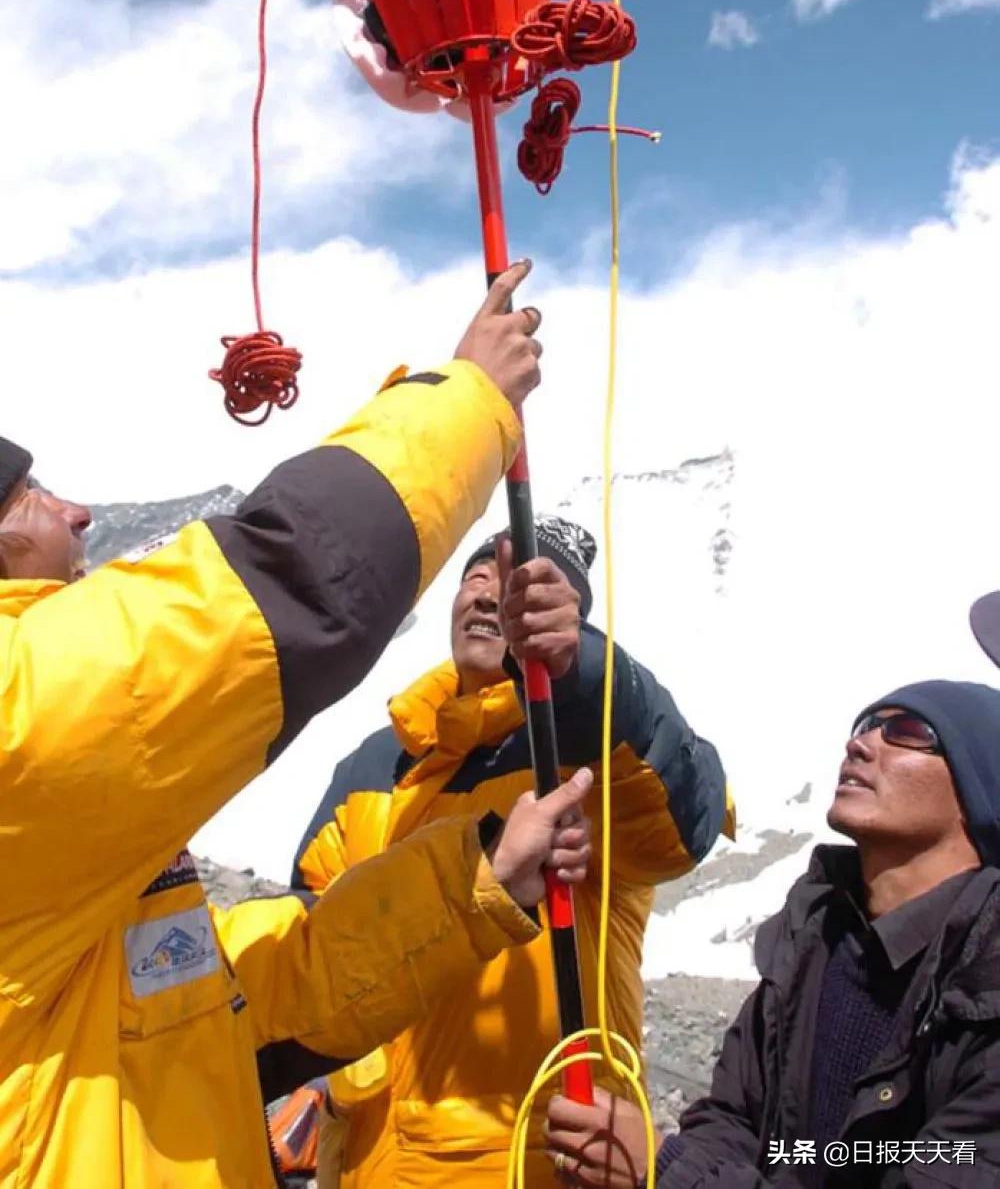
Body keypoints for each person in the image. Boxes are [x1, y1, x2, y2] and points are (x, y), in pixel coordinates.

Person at [0, 263, 598, 1189]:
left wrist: (475, 877)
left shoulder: (67, 865)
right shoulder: (16, 708)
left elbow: (226, 1004)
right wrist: (471, 400)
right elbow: (285, 591)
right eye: (30, 496)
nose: (78, 510)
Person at [293, 515, 735, 1188]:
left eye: (513, 586)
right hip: (358, 1162)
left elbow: (683, 821)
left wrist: (579, 667)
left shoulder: (590, 752)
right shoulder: (376, 765)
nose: (485, 596)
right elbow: (304, 938)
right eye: (475, 578)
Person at [544, 680, 1000, 1188]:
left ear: (978, 789)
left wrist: (662, 1169)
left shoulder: (987, 978)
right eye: (864, 727)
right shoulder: (811, 940)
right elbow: (731, 1120)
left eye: (907, 732)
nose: (861, 743)